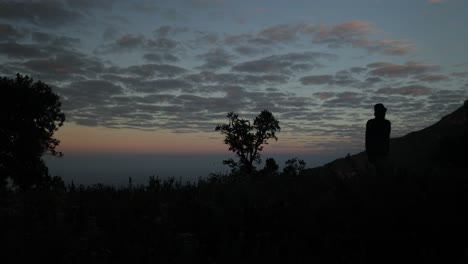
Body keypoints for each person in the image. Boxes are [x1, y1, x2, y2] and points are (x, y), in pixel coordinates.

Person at [365, 103, 391, 171]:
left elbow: (368, 140)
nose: (384, 113)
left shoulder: (371, 123)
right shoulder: (386, 123)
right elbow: (368, 140)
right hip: (378, 154)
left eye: (384, 112)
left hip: (381, 154)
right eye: (382, 112)